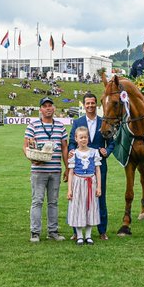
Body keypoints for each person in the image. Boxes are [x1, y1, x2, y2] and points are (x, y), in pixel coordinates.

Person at [68, 92, 115, 240]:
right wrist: (71, 151)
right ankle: (77, 232)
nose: (90, 105)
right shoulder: (77, 122)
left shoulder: (104, 122)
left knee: (100, 196)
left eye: (92, 103)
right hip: (80, 167)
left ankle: (102, 231)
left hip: (98, 166)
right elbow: (71, 141)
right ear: (84, 105)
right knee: (78, 198)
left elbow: (112, 141)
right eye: (87, 103)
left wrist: (107, 151)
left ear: (97, 104)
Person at [24, 97, 68, 243]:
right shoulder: (33, 126)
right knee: (37, 201)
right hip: (38, 170)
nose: (48, 108)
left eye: (50, 106)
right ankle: (35, 232)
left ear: (54, 108)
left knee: (53, 202)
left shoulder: (61, 126)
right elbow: (25, 146)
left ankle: (52, 231)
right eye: (45, 106)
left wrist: (67, 168)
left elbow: (64, 148)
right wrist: (32, 159)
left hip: (55, 170)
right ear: (40, 109)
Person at [66, 127, 102, 245]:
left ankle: (88, 235)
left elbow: (97, 171)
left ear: (88, 138)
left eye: (85, 137)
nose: (83, 139)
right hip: (78, 182)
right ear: (76, 139)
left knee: (90, 207)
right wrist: (69, 189)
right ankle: (80, 235)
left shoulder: (94, 152)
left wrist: (99, 187)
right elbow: (71, 172)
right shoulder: (73, 154)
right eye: (80, 137)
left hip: (91, 182)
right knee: (78, 207)